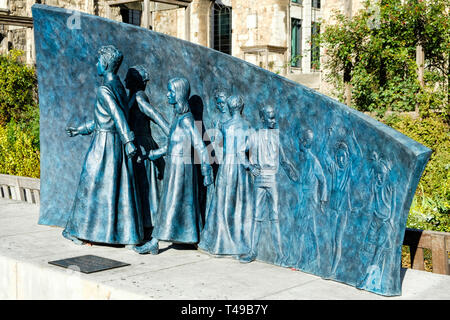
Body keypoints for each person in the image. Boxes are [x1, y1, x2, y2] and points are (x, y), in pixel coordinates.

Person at [63, 45, 143, 246]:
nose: (96, 64)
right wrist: (81, 129)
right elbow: (104, 118)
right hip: (115, 143)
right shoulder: (119, 88)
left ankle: (77, 230)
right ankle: (122, 235)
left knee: (90, 184)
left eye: (99, 61)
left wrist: (129, 140)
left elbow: (116, 114)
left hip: (104, 144)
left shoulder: (103, 89)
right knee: (116, 189)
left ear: (106, 64)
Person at [134, 77, 214, 254]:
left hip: (181, 170)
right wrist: (158, 153)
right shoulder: (178, 117)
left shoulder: (187, 120)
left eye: (171, 91)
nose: (168, 94)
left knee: (170, 203)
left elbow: (200, 145)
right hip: (175, 166)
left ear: (179, 94)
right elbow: (174, 142)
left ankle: (155, 241)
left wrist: (206, 170)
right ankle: (189, 236)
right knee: (174, 203)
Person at [239, 105, 298, 264]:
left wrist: (292, 174)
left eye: (274, 116)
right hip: (259, 179)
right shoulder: (255, 136)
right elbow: (240, 152)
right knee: (257, 217)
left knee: (276, 217)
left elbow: (284, 160)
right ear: (263, 118)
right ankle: (252, 251)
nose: (274, 120)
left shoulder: (277, 137)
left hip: (272, 179)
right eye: (270, 117)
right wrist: (250, 166)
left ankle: (280, 254)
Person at [198, 95, 253, 256]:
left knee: (223, 203)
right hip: (240, 169)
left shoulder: (225, 125)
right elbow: (246, 150)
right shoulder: (248, 125)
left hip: (226, 166)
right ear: (241, 107)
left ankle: (220, 242)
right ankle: (236, 241)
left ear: (230, 107)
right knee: (238, 205)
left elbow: (218, 146)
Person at [124, 65, 170, 237]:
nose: (125, 80)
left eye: (128, 77)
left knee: (146, 189)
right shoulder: (132, 97)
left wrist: (170, 137)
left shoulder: (139, 98)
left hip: (143, 149)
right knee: (141, 189)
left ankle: (150, 229)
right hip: (137, 149)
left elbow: (155, 116)